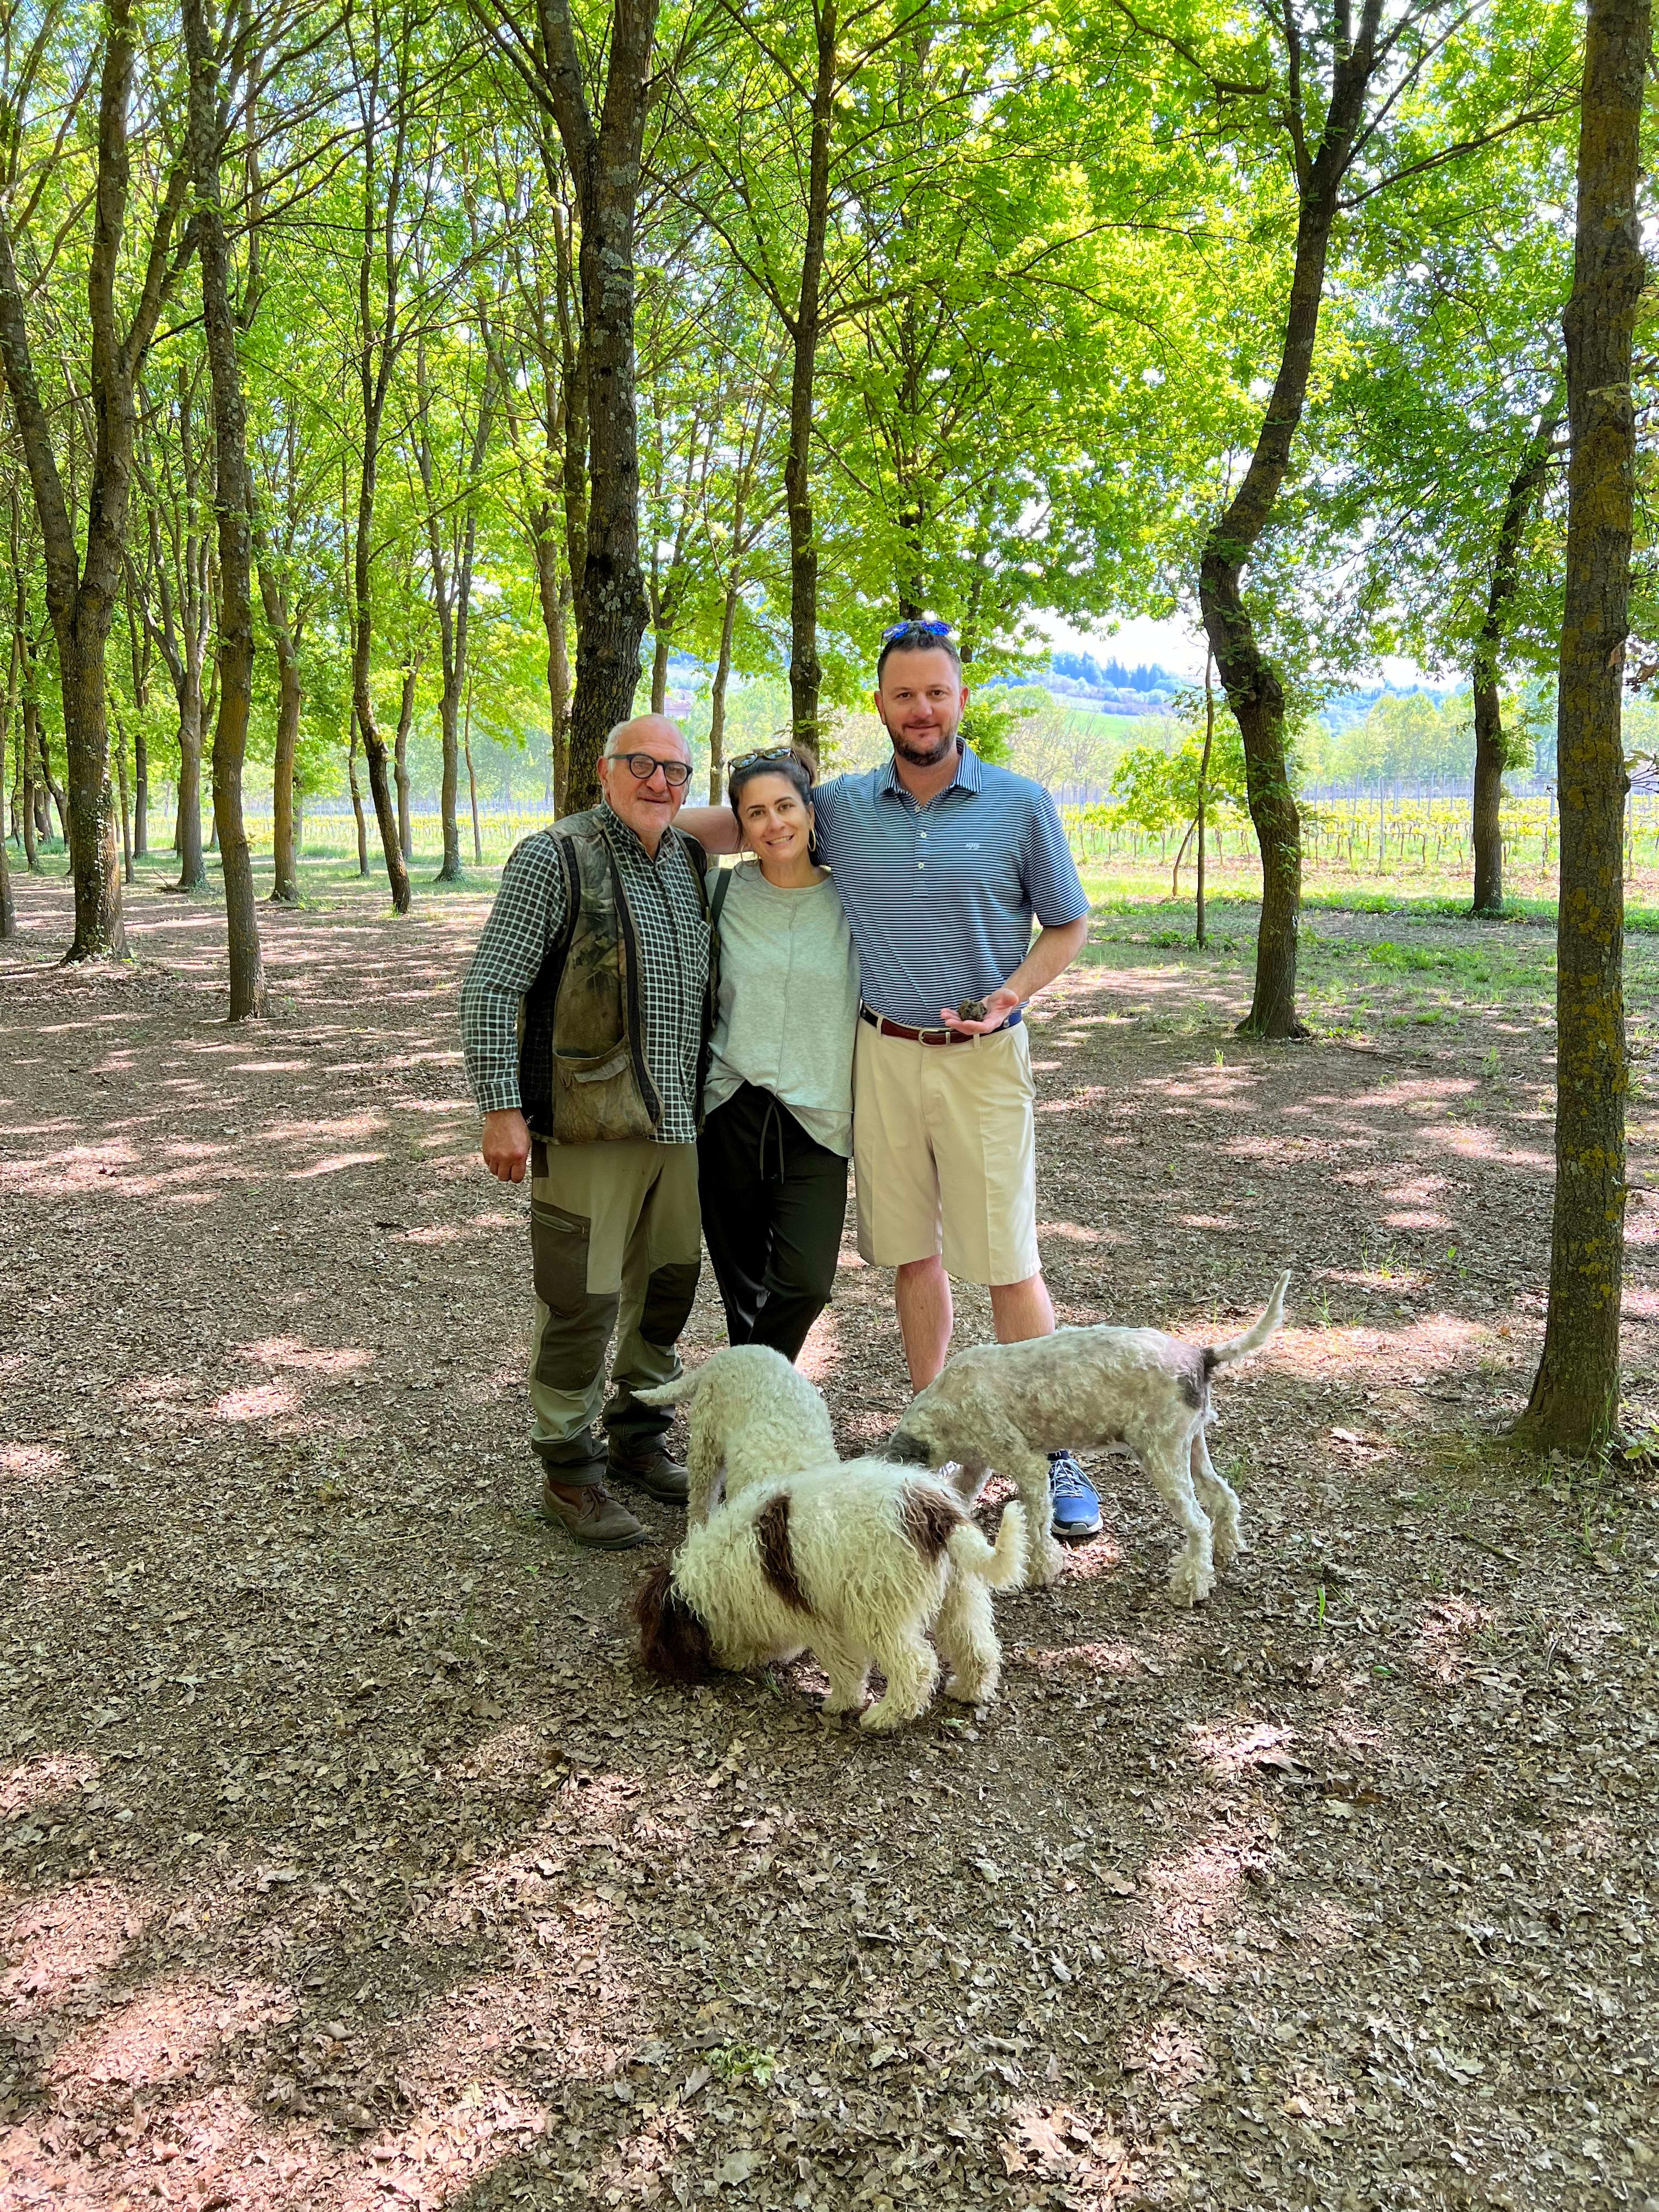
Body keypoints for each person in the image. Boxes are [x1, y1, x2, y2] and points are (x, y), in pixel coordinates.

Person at [678, 620, 1102, 1543]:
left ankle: (1053, 1446)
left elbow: (1066, 924)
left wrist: (1011, 994)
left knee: (1005, 1260)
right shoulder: (840, 805)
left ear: (959, 700)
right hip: (880, 1052)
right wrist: (640, 812)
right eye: (903, 694)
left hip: (983, 1058)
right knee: (910, 1252)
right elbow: (746, 817)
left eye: (935, 693)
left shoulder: (1020, 803)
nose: (920, 709)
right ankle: (933, 1429)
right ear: (879, 705)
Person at [460, 715, 713, 1551]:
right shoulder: (554, 856)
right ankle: (569, 1475)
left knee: (668, 1287)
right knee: (582, 1296)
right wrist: (501, 1105)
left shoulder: (688, 860)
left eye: (676, 772)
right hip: (586, 1120)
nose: (658, 783)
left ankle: (639, 1438)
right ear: (604, 772)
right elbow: (495, 985)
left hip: (678, 1122)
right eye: (640, 765)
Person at [699, 747, 860, 1360]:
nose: (775, 825)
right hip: (729, 1109)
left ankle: (742, 1387)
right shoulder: (717, 890)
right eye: (756, 813)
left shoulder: (854, 899)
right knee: (740, 1290)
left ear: (812, 811)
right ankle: (754, 1431)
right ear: (738, 826)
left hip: (820, 1117)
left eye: (787, 806)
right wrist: (730, 822)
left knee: (804, 1283)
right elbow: (651, 822)